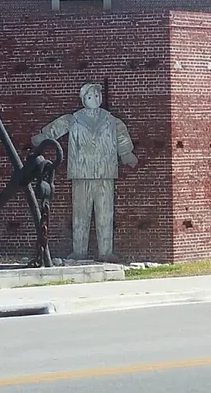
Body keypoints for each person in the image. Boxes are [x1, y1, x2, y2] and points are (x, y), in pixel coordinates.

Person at [32, 82, 136, 260]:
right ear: (83, 100)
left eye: (97, 96)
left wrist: (126, 153)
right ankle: (79, 251)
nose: (94, 99)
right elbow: (57, 128)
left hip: (105, 172)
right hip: (80, 171)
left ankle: (106, 252)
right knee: (80, 213)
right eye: (89, 97)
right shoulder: (74, 119)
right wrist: (43, 137)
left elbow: (121, 136)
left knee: (105, 213)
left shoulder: (111, 120)